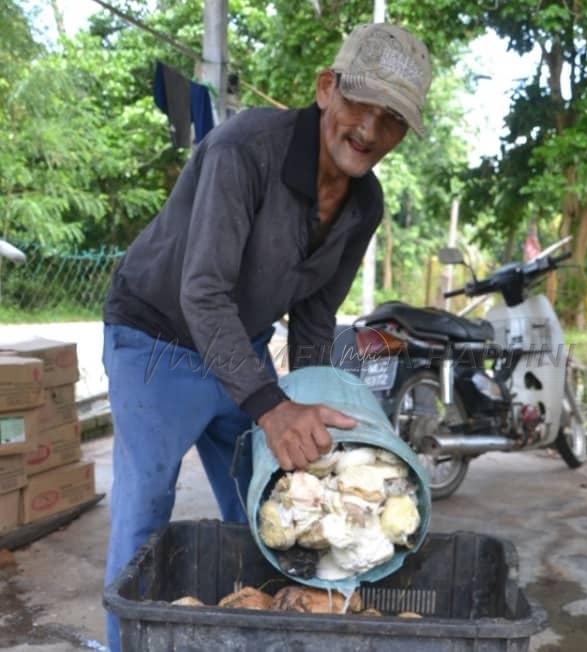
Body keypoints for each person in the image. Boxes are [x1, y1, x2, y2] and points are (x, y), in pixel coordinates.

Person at [101, 22, 431, 650]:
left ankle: (259, 635)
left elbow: (314, 313)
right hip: (156, 342)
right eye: (361, 104)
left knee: (277, 510)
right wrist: (272, 406)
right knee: (145, 516)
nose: (369, 130)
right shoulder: (244, 149)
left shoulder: (366, 204)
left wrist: (308, 401)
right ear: (326, 87)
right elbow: (202, 292)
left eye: (391, 121)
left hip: (238, 350)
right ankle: (126, 643)